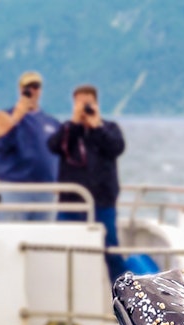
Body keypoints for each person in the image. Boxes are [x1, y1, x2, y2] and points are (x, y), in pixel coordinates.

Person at [47, 83, 126, 282]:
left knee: (111, 252)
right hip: (71, 203)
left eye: (88, 103)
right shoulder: (67, 130)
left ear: (97, 104)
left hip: (103, 202)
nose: (84, 108)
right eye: (80, 103)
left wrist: (96, 125)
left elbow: (117, 147)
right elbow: (53, 145)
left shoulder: (109, 128)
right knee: (63, 251)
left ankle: (125, 299)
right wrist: (74, 123)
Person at [0, 71, 60, 220]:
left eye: (36, 86)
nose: (32, 91)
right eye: (27, 88)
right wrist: (16, 117)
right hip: (15, 188)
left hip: (45, 190)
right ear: (20, 90)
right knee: (13, 235)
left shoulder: (51, 122)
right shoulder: (5, 116)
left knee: (42, 240)